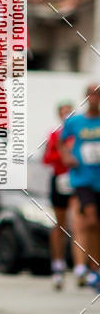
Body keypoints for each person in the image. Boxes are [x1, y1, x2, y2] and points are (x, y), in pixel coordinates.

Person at [59, 84, 100, 292]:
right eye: (91, 94)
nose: (94, 98)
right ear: (85, 97)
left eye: (98, 94)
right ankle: (94, 268)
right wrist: (67, 156)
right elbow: (60, 141)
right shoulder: (75, 121)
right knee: (91, 221)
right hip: (83, 180)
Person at [42, 101, 74, 289]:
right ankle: (58, 263)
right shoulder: (55, 134)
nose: (67, 115)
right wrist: (64, 157)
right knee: (60, 223)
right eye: (64, 112)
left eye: (69, 112)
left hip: (79, 180)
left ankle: (84, 265)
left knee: (83, 222)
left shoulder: (78, 132)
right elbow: (47, 158)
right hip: (60, 179)